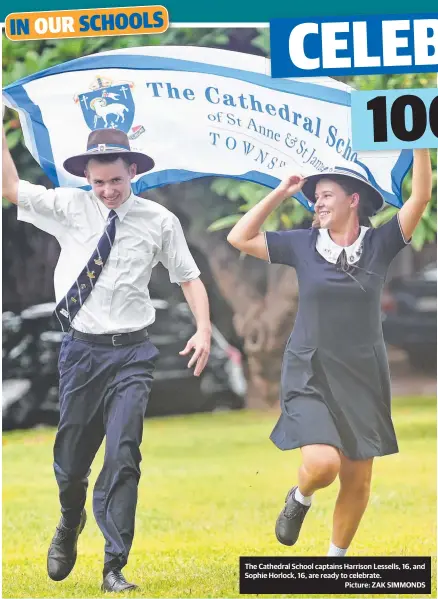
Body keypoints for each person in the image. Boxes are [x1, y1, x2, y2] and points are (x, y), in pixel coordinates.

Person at [2, 126, 212, 592]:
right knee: (72, 461)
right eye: (98, 182)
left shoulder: (159, 221)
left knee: (123, 455)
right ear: (88, 179)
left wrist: (202, 328)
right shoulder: (70, 207)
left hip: (132, 354)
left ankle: (114, 566)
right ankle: (69, 519)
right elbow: (10, 187)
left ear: (132, 171)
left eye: (115, 180)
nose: (107, 191)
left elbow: (189, 278)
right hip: (81, 352)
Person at [227, 150, 432, 556]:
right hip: (310, 369)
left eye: (325, 195)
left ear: (353, 200)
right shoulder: (302, 244)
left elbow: (420, 197)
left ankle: (334, 565)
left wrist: (421, 140)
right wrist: (281, 194)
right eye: (315, 196)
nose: (317, 202)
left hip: (363, 374)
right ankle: (300, 495)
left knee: (358, 479)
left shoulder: (379, 244)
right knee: (323, 466)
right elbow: (239, 238)